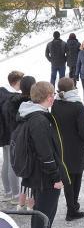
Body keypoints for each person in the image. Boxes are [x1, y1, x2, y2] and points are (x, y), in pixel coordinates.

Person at [17, 82, 66, 228]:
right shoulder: (39, 120)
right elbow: (45, 153)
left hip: (39, 175)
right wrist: (56, 177)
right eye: (52, 95)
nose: (54, 98)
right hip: (45, 178)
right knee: (45, 215)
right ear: (48, 97)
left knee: (40, 212)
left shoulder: (34, 114)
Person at [51, 78, 84, 222]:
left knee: (67, 178)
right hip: (77, 146)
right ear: (72, 88)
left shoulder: (55, 103)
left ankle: (72, 206)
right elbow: (82, 130)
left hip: (61, 146)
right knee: (77, 176)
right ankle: (72, 209)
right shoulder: (77, 105)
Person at [2, 75, 35, 211]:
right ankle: (18, 197)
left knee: (8, 162)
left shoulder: (10, 100)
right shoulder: (26, 103)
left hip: (8, 135)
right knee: (18, 166)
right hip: (17, 138)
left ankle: (11, 193)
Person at [0, 71, 24, 205]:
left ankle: (8, 193)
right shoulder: (14, 97)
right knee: (12, 164)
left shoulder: (1, 92)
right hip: (11, 133)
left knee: (6, 162)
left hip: (3, 134)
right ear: (17, 82)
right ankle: (15, 196)